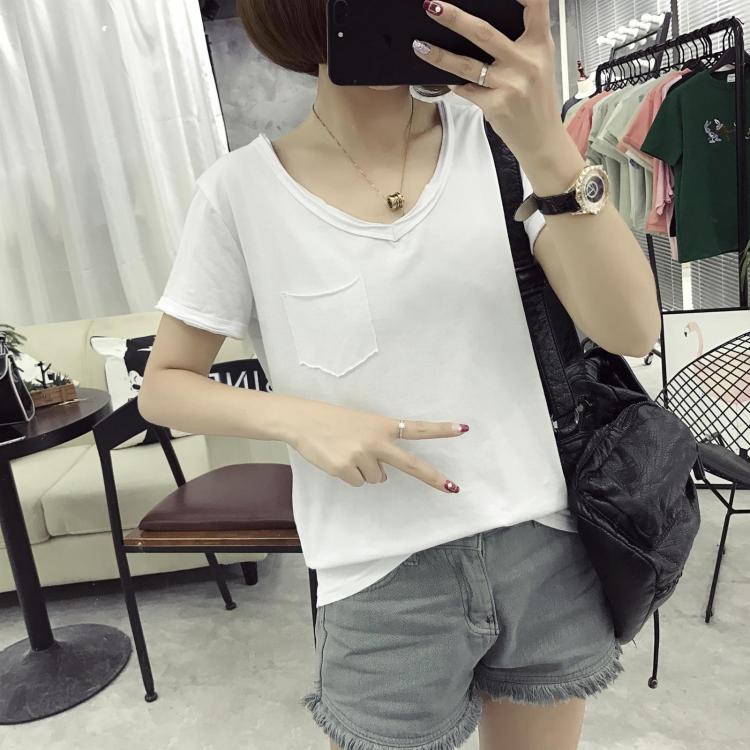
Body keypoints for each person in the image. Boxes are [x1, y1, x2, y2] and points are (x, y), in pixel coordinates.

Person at [139, 1, 661, 748]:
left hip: (544, 546)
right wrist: (299, 418)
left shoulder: (504, 149)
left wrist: (549, 145)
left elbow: (633, 331)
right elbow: (165, 385)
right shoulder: (239, 193)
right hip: (377, 579)